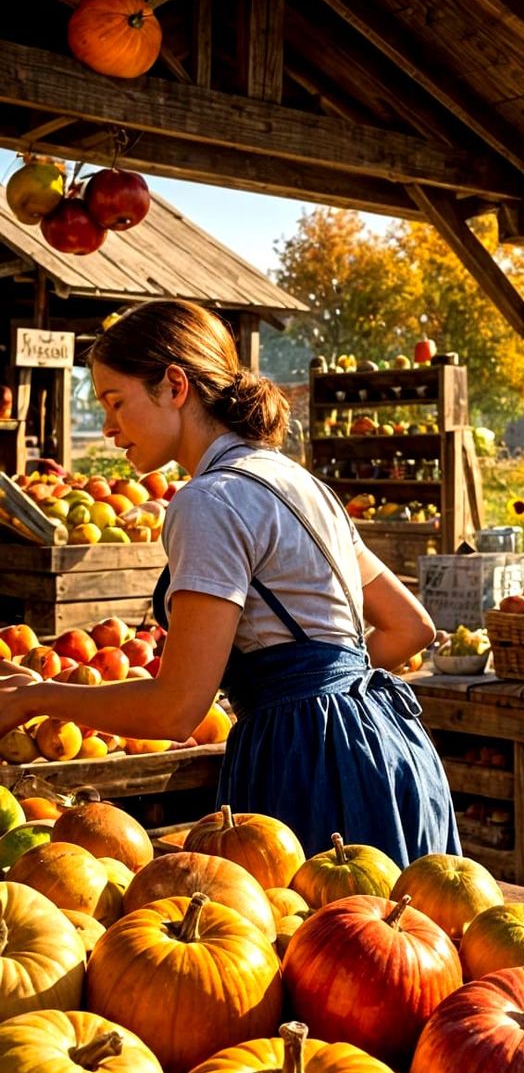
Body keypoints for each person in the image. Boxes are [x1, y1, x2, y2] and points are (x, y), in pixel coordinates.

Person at [0, 300, 456, 865]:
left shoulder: (209, 501)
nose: (109, 427)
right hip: (388, 748)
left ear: (174, 385)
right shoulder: (298, 482)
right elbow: (411, 627)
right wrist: (326, 690)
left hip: (305, 764)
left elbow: (176, 711)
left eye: (116, 402)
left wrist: (38, 697)